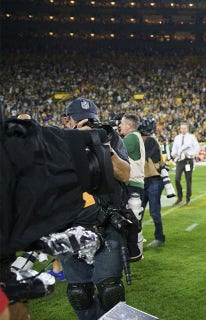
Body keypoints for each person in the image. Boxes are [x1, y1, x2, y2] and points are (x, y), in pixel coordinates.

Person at [59, 97, 131, 320]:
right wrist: (76, 143)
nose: (87, 125)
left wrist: (103, 146)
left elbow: (124, 174)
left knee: (110, 289)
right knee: (79, 291)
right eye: (80, 121)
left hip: (107, 222)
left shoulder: (110, 138)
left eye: (91, 121)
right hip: (71, 226)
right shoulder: (59, 141)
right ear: (67, 121)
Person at [119, 113, 146, 259]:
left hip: (131, 182)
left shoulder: (130, 137)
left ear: (129, 125)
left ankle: (133, 252)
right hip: (137, 182)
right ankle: (136, 252)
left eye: (122, 124)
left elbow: (117, 154)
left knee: (129, 220)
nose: (120, 126)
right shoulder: (136, 136)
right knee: (135, 219)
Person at [138, 118, 166, 248]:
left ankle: (159, 237)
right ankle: (138, 238)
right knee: (139, 211)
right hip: (144, 180)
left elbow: (144, 156)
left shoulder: (150, 141)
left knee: (153, 211)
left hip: (154, 178)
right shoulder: (148, 140)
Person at [170, 122, 200, 206]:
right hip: (179, 160)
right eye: (181, 128)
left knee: (188, 180)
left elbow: (197, 148)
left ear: (187, 129)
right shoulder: (177, 138)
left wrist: (190, 153)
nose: (183, 130)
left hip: (188, 160)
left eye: (184, 128)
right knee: (176, 179)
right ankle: (179, 197)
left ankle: (188, 198)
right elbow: (174, 149)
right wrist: (174, 154)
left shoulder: (192, 137)